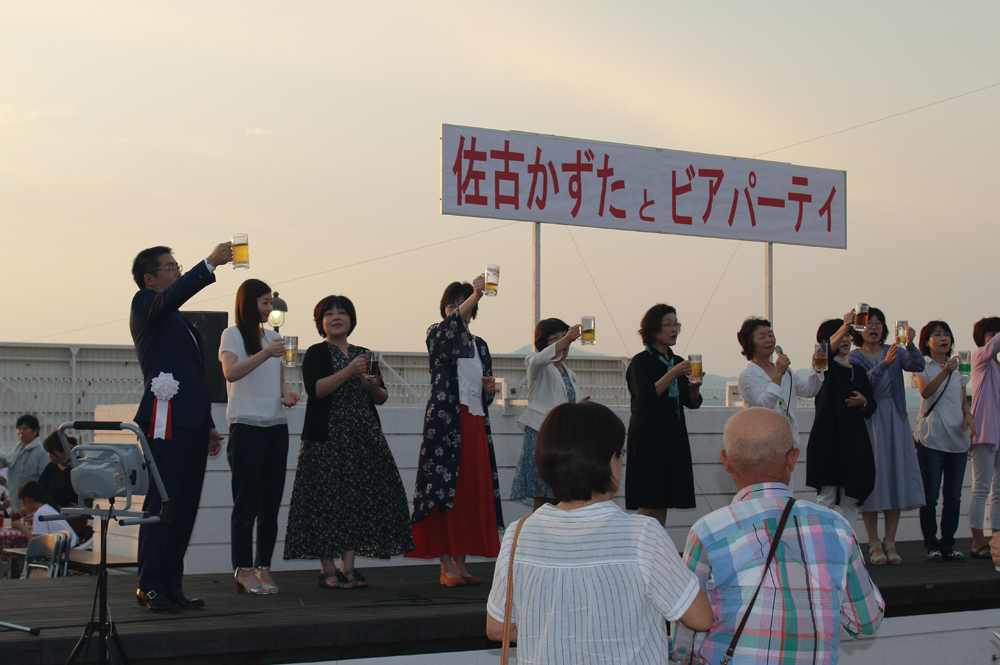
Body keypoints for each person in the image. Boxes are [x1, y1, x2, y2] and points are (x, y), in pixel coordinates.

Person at [487, 402, 713, 664]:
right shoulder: (642, 534)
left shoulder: (518, 534)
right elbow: (701, 618)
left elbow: (497, 628)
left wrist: (560, 638)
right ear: (607, 461)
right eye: (620, 454)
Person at [672, 408, 884, 665]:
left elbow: (685, 638)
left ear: (726, 461)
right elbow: (866, 621)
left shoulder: (707, 532)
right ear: (792, 459)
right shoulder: (837, 528)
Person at [284, 295, 414, 589]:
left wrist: (372, 386)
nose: (336, 318)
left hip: (362, 438)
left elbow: (382, 397)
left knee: (356, 501)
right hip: (326, 439)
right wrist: (349, 372)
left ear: (351, 319)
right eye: (329, 314)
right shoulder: (316, 352)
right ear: (320, 322)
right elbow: (316, 390)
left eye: (342, 312)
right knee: (323, 502)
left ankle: (349, 568)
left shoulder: (365, 354)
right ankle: (327, 570)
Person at [130, 242, 231, 613]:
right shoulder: (145, 304)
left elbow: (191, 377)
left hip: (189, 422)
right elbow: (169, 299)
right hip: (165, 423)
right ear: (150, 278)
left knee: (185, 506)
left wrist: (207, 424)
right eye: (170, 267)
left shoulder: (178, 320)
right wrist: (209, 263)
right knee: (164, 502)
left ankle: (171, 584)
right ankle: (149, 585)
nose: (177, 271)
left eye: (179, 266)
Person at [407, 276, 504, 586]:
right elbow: (449, 330)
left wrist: (489, 389)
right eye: (450, 305)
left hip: (474, 422)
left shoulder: (481, 345)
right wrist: (476, 293)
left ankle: (460, 563)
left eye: (461, 305)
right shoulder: (437, 334)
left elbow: (485, 392)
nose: (455, 310)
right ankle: (445, 564)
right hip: (446, 423)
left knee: (471, 490)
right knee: (443, 489)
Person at [220, 279, 300, 594]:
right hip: (246, 425)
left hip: (275, 426)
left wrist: (287, 394)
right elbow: (231, 372)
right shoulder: (232, 334)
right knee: (246, 503)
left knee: (271, 503)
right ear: (248, 303)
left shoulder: (273, 338)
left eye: (271, 302)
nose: (269, 308)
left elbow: (278, 382)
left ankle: (263, 567)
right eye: (265, 302)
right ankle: (242, 569)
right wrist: (266, 353)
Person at [848, 306, 925, 565]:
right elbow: (863, 384)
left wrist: (910, 344)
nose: (874, 327)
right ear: (860, 328)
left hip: (896, 419)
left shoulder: (896, 350)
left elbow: (918, 365)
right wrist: (885, 364)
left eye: (879, 323)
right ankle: (873, 542)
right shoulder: (855, 357)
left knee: (895, 478)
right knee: (873, 480)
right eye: (869, 323)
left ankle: (890, 541)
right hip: (870, 419)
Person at [624, 303, 702, 526]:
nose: (674, 329)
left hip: (673, 436)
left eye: (676, 324)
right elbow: (645, 395)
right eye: (668, 324)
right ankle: (641, 542)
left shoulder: (677, 361)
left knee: (663, 499)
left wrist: (694, 386)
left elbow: (691, 402)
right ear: (653, 329)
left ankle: (656, 542)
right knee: (648, 498)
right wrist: (673, 374)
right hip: (648, 437)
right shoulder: (640, 361)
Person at [806, 315, 877, 530]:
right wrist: (846, 324)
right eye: (840, 335)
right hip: (827, 439)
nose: (845, 339)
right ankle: (823, 544)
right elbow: (823, 352)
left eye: (848, 335)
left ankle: (847, 544)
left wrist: (863, 402)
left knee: (851, 499)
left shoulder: (858, 370)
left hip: (854, 441)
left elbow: (871, 406)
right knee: (826, 498)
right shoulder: (823, 366)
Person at [912, 320, 974, 562]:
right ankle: (932, 545)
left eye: (947, 334)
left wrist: (968, 415)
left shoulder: (960, 366)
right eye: (937, 334)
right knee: (930, 497)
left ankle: (948, 543)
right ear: (927, 342)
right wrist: (945, 371)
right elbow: (925, 392)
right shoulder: (922, 365)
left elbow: (962, 399)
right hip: (932, 438)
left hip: (957, 439)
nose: (943, 338)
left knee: (953, 497)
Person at [511, 318, 586, 511]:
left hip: (564, 439)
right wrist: (568, 337)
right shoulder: (536, 363)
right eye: (556, 338)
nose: (564, 343)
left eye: (564, 337)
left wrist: (579, 407)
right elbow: (541, 359)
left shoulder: (570, 373)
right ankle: (535, 530)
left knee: (561, 495)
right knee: (544, 495)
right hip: (542, 435)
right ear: (543, 343)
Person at [736, 317, 823, 450]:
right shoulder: (748, 375)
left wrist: (815, 368)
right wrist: (778, 374)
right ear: (750, 343)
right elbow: (764, 405)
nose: (769, 340)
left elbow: (809, 391)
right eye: (762, 337)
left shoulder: (785, 371)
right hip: (763, 443)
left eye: (770, 335)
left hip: (788, 440)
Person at [968, 316, 1000, 559]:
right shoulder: (980, 357)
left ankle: (997, 540)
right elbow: (994, 346)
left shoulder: (996, 365)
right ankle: (978, 541)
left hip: (997, 431)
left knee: (998, 491)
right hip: (984, 431)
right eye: (992, 334)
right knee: (981, 488)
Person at [0, 415, 48, 516]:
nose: (21, 432)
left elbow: (45, 482)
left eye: (25, 429)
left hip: (31, 510)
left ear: (35, 431)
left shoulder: (41, 453)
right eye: (19, 429)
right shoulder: (14, 451)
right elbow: (2, 462)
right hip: (15, 507)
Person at [12, 481, 79, 547]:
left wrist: (22, 528)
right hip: (72, 545)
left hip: (68, 549)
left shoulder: (40, 514)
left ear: (26, 499)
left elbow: (39, 545)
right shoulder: (46, 508)